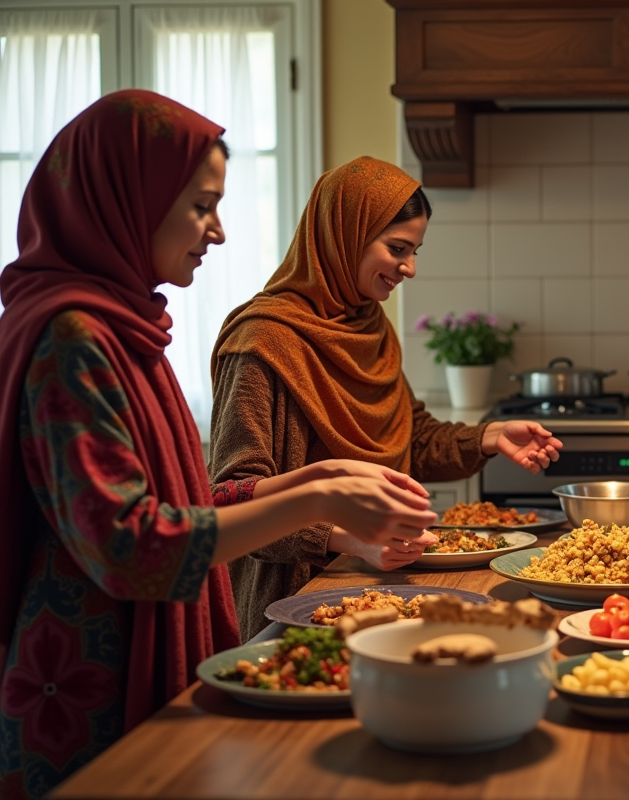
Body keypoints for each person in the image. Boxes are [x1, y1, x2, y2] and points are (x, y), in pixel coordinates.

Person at [0, 91, 443, 800]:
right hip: (90, 696)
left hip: (132, 671)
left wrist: (307, 483)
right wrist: (321, 498)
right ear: (130, 199)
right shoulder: (72, 337)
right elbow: (130, 545)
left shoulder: (125, 328)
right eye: (202, 206)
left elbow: (191, 499)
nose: (219, 231)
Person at [208, 156, 563, 640]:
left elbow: (410, 440)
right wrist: (344, 539)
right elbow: (232, 502)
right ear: (344, 235)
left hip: (382, 585)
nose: (410, 268)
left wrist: (491, 437)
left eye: (416, 251)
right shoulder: (262, 341)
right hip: (294, 601)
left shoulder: (369, 325)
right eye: (397, 248)